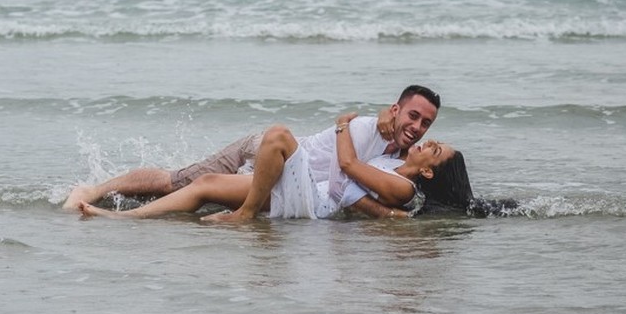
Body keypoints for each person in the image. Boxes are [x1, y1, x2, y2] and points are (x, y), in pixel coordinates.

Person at [63, 85, 440, 211]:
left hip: (283, 174)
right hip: (265, 151)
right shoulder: (368, 127)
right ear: (395, 109)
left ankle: (120, 203)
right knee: (175, 182)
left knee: (195, 192)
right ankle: (94, 191)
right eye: (412, 116)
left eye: (425, 124)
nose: (417, 127)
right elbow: (346, 170)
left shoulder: (394, 158)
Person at [78, 133, 458, 221]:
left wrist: (343, 124)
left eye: (434, 149)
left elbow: (349, 172)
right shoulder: (391, 162)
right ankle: (122, 215)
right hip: (309, 189)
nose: (427, 141)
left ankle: (245, 215)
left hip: (314, 201)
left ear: (427, 171)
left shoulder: (405, 186)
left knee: (277, 136)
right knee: (205, 184)